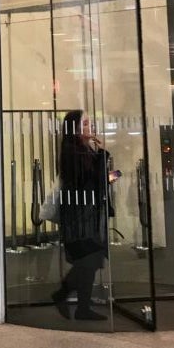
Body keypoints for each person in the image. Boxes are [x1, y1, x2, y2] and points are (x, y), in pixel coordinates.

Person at [51, 110, 117, 321]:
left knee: (90, 260)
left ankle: (79, 304)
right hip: (80, 217)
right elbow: (89, 181)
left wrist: (111, 174)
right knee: (89, 259)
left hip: (87, 214)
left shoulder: (83, 150)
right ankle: (68, 298)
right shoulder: (74, 152)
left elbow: (97, 180)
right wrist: (103, 155)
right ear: (76, 128)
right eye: (86, 124)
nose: (91, 127)